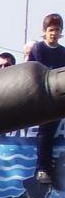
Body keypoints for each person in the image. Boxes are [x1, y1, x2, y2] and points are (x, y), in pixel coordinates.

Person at [28, 13, 65, 184]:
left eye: (57, 30)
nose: (54, 33)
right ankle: (42, 168)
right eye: (51, 30)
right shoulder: (39, 49)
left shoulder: (62, 52)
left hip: (59, 99)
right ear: (45, 31)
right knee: (45, 133)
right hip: (43, 98)